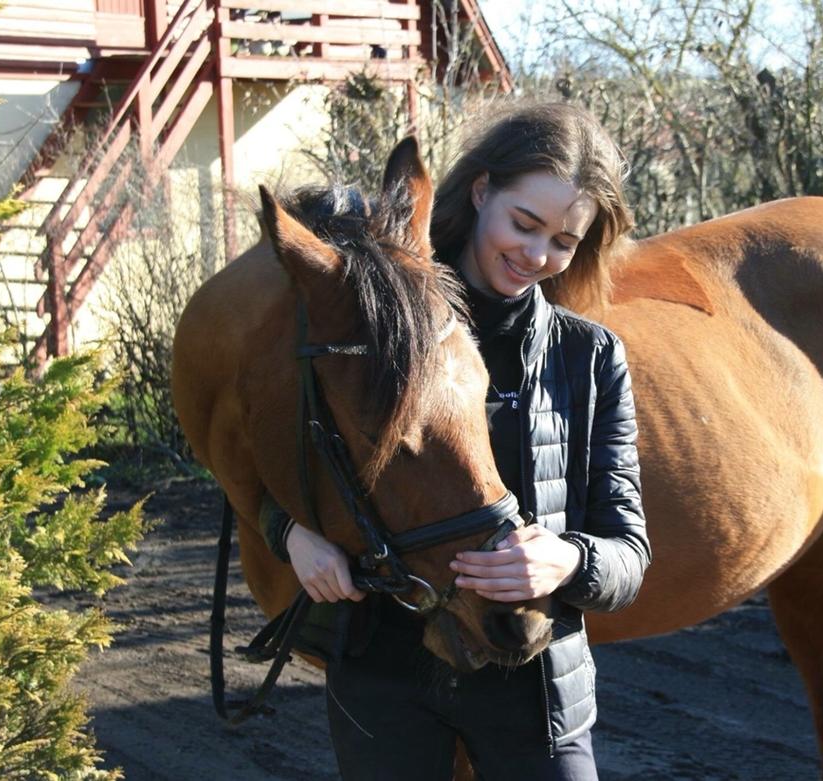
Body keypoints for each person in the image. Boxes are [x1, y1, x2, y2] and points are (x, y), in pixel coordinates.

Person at [264, 101, 650, 780]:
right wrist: (290, 532)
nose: (537, 255)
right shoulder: (369, 321)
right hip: (384, 673)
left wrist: (564, 559)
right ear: (480, 192)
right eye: (524, 224)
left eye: (563, 241)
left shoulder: (589, 358)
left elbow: (628, 554)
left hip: (531, 680)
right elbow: (252, 458)